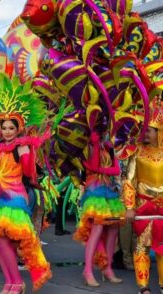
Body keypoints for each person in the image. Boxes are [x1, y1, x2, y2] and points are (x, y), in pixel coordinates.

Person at [0, 73, 52, 293]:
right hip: (2, 198)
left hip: (16, 199)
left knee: (8, 240)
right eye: (4, 127)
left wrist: (30, 148)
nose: (7, 131)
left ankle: (17, 282)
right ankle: (11, 281)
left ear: (18, 128)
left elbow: (30, 173)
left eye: (11, 128)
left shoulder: (22, 147)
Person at [73, 129, 125, 287]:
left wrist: (100, 170)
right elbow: (93, 165)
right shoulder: (85, 146)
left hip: (110, 192)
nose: (102, 130)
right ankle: (87, 271)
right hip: (94, 192)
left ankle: (107, 268)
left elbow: (116, 169)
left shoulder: (109, 146)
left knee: (114, 228)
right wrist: (95, 145)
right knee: (97, 228)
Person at [123, 101, 163, 294]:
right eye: (144, 130)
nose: (145, 134)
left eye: (150, 130)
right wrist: (130, 207)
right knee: (142, 247)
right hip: (144, 207)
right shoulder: (136, 152)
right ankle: (143, 287)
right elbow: (129, 181)